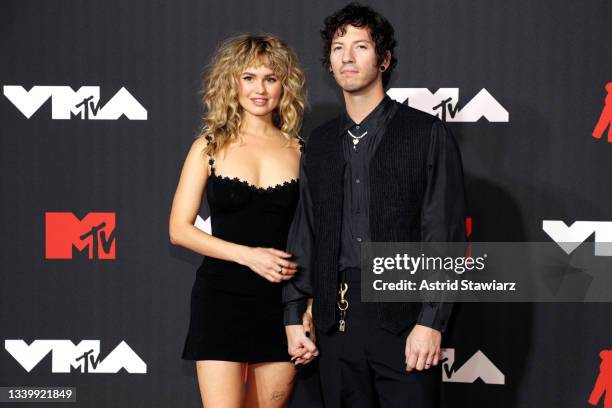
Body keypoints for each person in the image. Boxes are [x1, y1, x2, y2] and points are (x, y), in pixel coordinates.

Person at [283, 3, 466, 408]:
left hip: (406, 319)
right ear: (329, 63)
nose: (346, 56)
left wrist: (430, 322)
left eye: (360, 46)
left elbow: (444, 235)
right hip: (337, 321)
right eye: (337, 47)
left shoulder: (426, 134)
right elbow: (306, 232)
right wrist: (294, 314)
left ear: (383, 59)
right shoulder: (320, 145)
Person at [169, 34, 310, 407]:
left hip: (283, 305)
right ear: (232, 83)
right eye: (248, 77)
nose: (259, 89)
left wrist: (307, 308)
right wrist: (249, 256)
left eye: (270, 77)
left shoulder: (302, 152)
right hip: (220, 300)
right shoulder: (208, 146)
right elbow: (179, 229)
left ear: (285, 85)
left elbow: (316, 237)